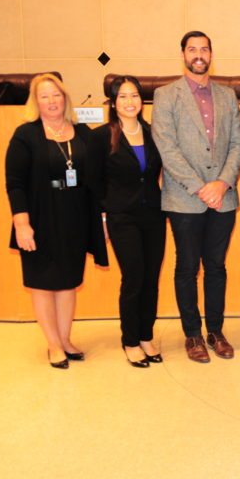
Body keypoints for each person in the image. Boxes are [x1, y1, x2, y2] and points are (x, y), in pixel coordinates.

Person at [152, 31, 240, 363]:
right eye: (192, 49)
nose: (199, 54)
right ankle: (193, 335)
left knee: (217, 267)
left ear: (211, 53)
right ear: (183, 54)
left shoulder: (227, 95)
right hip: (184, 198)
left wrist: (222, 182)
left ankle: (216, 331)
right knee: (187, 267)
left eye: (204, 48)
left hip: (223, 197)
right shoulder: (166, 96)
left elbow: (238, 143)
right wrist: (200, 186)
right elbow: (166, 147)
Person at [5, 74, 108, 368]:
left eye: (56, 95)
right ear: (36, 102)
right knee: (42, 282)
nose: (51, 101)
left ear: (65, 98)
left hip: (74, 217)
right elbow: (15, 183)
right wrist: (21, 223)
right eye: (44, 96)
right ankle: (52, 344)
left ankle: (65, 339)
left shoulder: (83, 133)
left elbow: (97, 180)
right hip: (39, 217)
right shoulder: (26, 135)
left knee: (68, 282)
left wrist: (101, 218)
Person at [90, 76, 167, 368]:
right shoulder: (101, 137)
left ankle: (146, 335)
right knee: (133, 276)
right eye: (122, 96)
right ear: (113, 102)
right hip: (122, 216)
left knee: (151, 278)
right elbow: (94, 182)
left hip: (154, 215)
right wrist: (103, 217)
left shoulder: (153, 133)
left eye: (134, 95)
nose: (129, 101)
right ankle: (131, 340)